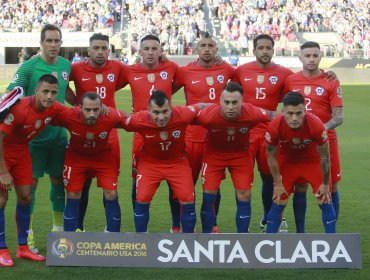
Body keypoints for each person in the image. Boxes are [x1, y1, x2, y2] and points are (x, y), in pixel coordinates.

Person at [6, 24, 71, 253]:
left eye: (57, 41)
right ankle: (29, 235)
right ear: (41, 43)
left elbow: (66, 91)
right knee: (28, 188)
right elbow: (11, 94)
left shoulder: (66, 65)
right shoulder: (29, 67)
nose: (53, 45)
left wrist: (85, 106)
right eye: (49, 41)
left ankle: (58, 229)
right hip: (31, 140)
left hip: (58, 138)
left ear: (61, 43)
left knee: (59, 183)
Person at [0, 74, 65, 267]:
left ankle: (22, 248)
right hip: (3, 152)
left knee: (26, 197)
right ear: (36, 90)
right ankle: (2, 249)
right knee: (1, 199)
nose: (49, 96)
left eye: (54, 92)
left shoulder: (54, 108)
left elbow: (75, 114)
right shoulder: (20, 109)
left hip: (21, 152)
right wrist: (3, 171)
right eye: (45, 91)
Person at [173, 32, 235, 233]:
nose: (207, 49)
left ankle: (212, 224)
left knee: (213, 186)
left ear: (217, 50)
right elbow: (164, 91)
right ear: (196, 49)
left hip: (217, 138)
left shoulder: (226, 69)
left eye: (211, 45)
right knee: (184, 184)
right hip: (191, 137)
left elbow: (247, 83)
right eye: (203, 45)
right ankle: (177, 226)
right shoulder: (185, 71)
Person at [232, 34, 294, 232]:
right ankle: (243, 224)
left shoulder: (284, 74)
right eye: (261, 48)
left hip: (270, 133)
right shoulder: (241, 71)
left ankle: (269, 217)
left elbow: (300, 86)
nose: (265, 51)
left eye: (269, 47)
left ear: (273, 50)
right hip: (245, 133)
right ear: (254, 50)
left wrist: (328, 74)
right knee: (243, 179)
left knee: (270, 177)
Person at [121, 90, 205, 233]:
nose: (161, 117)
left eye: (165, 112)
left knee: (187, 198)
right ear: (149, 111)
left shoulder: (182, 114)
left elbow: (203, 105)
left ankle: (188, 241)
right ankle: (142, 241)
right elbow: (118, 121)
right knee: (141, 198)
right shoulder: (139, 119)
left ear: (171, 108)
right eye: (156, 113)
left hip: (177, 162)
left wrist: (222, 108)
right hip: (150, 163)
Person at [67, 33, 127, 232]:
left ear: (109, 50)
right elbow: (60, 81)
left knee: (109, 185)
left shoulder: (118, 67)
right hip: (82, 131)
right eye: (96, 48)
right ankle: (78, 227)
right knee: (81, 183)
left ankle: (109, 230)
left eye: (104, 48)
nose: (100, 52)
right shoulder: (76, 68)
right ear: (89, 50)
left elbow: (137, 74)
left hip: (109, 133)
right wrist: (76, 103)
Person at [195, 82, 275, 233]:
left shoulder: (251, 112)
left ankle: (242, 237)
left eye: (234, 102)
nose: (230, 107)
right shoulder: (208, 116)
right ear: (220, 101)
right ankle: (207, 236)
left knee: (245, 195)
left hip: (240, 155)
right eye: (226, 102)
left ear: (242, 102)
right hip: (214, 155)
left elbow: (273, 115)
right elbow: (182, 116)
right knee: (208, 196)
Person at [283, 41, 344, 233]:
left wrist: (319, 130)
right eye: (307, 56)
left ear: (320, 57)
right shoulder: (290, 80)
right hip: (298, 144)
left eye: (315, 56)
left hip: (326, 141)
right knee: (300, 186)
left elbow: (339, 116)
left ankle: (332, 233)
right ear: (300, 57)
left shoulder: (331, 80)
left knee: (331, 187)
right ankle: (300, 232)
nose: (311, 59)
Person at [125, 35, 180, 232]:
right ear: (139, 51)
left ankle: (176, 227)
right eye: (146, 48)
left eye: (154, 48)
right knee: (137, 181)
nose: (150, 52)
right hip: (141, 136)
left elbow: (181, 83)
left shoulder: (171, 68)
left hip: (169, 134)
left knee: (175, 182)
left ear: (160, 50)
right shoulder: (129, 70)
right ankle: (141, 230)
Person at [51, 92, 126, 233]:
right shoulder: (69, 115)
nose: (92, 114)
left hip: (102, 157)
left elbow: (131, 120)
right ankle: (69, 239)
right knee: (73, 194)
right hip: (76, 157)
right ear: (80, 108)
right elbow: (47, 116)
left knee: (111, 193)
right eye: (87, 110)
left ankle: (113, 237)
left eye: (96, 110)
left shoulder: (110, 115)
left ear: (102, 108)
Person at [265, 92, 336, 234]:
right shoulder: (274, 126)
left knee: (325, 198)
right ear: (282, 111)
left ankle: (332, 243)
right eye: (290, 113)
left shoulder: (316, 124)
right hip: (288, 162)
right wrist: (278, 184)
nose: (294, 118)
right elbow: (271, 156)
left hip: (312, 161)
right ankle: (269, 243)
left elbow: (324, 156)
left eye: (299, 113)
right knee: (279, 198)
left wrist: (325, 183)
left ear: (305, 111)